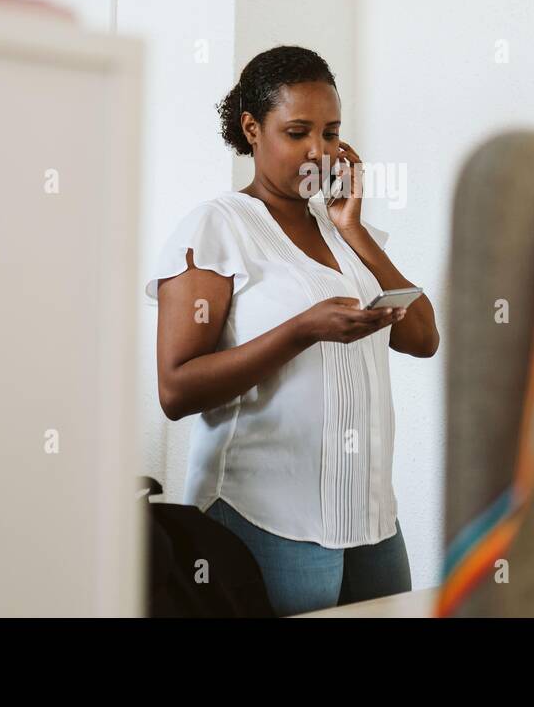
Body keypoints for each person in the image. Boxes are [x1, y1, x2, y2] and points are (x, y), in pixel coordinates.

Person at [145, 45, 439, 616]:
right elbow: (175, 390)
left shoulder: (343, 232)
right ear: (252, 129)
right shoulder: (217, 227)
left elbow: (423, 338)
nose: (318, 152)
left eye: (331, 133)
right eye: (298, 131)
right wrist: (301, 331)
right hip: (269, 514)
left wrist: (352, 227)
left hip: (371, 515)